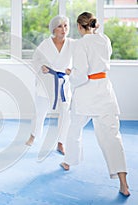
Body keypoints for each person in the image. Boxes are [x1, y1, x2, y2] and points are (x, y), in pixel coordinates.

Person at [60, 12, 130, 197]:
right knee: (113, 137)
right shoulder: (104, 40)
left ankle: (68, 161)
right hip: (105, 92)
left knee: (74, 128)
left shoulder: (80, 44)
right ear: (94, 24)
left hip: (86, 94)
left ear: (79, 27)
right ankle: (124, 183)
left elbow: (81, 74)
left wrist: (70, 73)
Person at [26, 15, 74, 155]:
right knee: (40, 111)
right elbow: (35, 60)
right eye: (60, 26)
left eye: (65, 25)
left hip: (63, 83)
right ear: (53, 28)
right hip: (47, 81)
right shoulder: (45, 44)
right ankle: (33, 135)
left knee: (66, 113)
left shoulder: (72, 44)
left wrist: (74, 70)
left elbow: (81, 59)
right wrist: (41, 67)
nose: (63, 29)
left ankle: (61, 142)